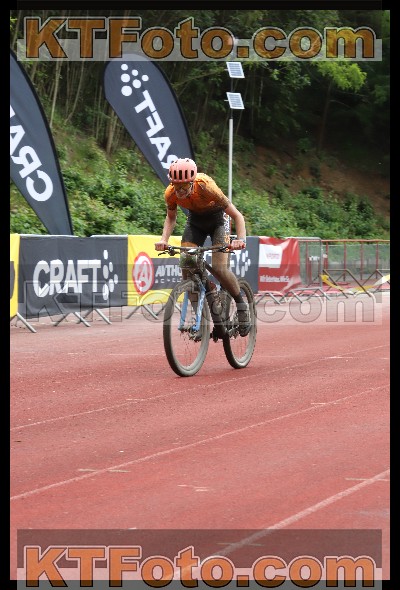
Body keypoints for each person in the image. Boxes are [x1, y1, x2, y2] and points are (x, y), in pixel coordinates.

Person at [155, 157, 251, 336]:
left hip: (218, 220)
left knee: (219, 268)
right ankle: (200, 321)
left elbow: (237, 216)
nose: (180, 191)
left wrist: (240, 239)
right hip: (195, 222)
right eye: (177, 186)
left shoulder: (206, 186)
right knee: (187, 267)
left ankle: (241, 306)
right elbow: (171, 217)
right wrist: (164, 240)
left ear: (192, 182)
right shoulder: (170, 193)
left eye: (184, 186)